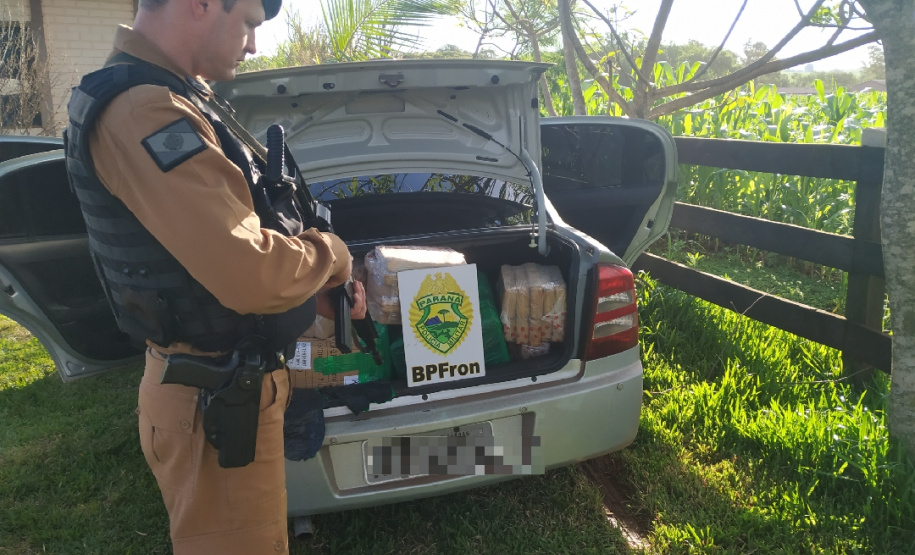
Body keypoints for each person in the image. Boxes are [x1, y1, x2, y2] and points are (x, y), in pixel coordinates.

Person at [64, 0, 365, 553]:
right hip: (215, 399)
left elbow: (228, 243)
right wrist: (333, 256)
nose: (253, 44)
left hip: (227, 388)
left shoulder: (176, 94)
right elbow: (250, 272)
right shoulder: (145, 110)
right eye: (248, 22)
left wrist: (311, 292)